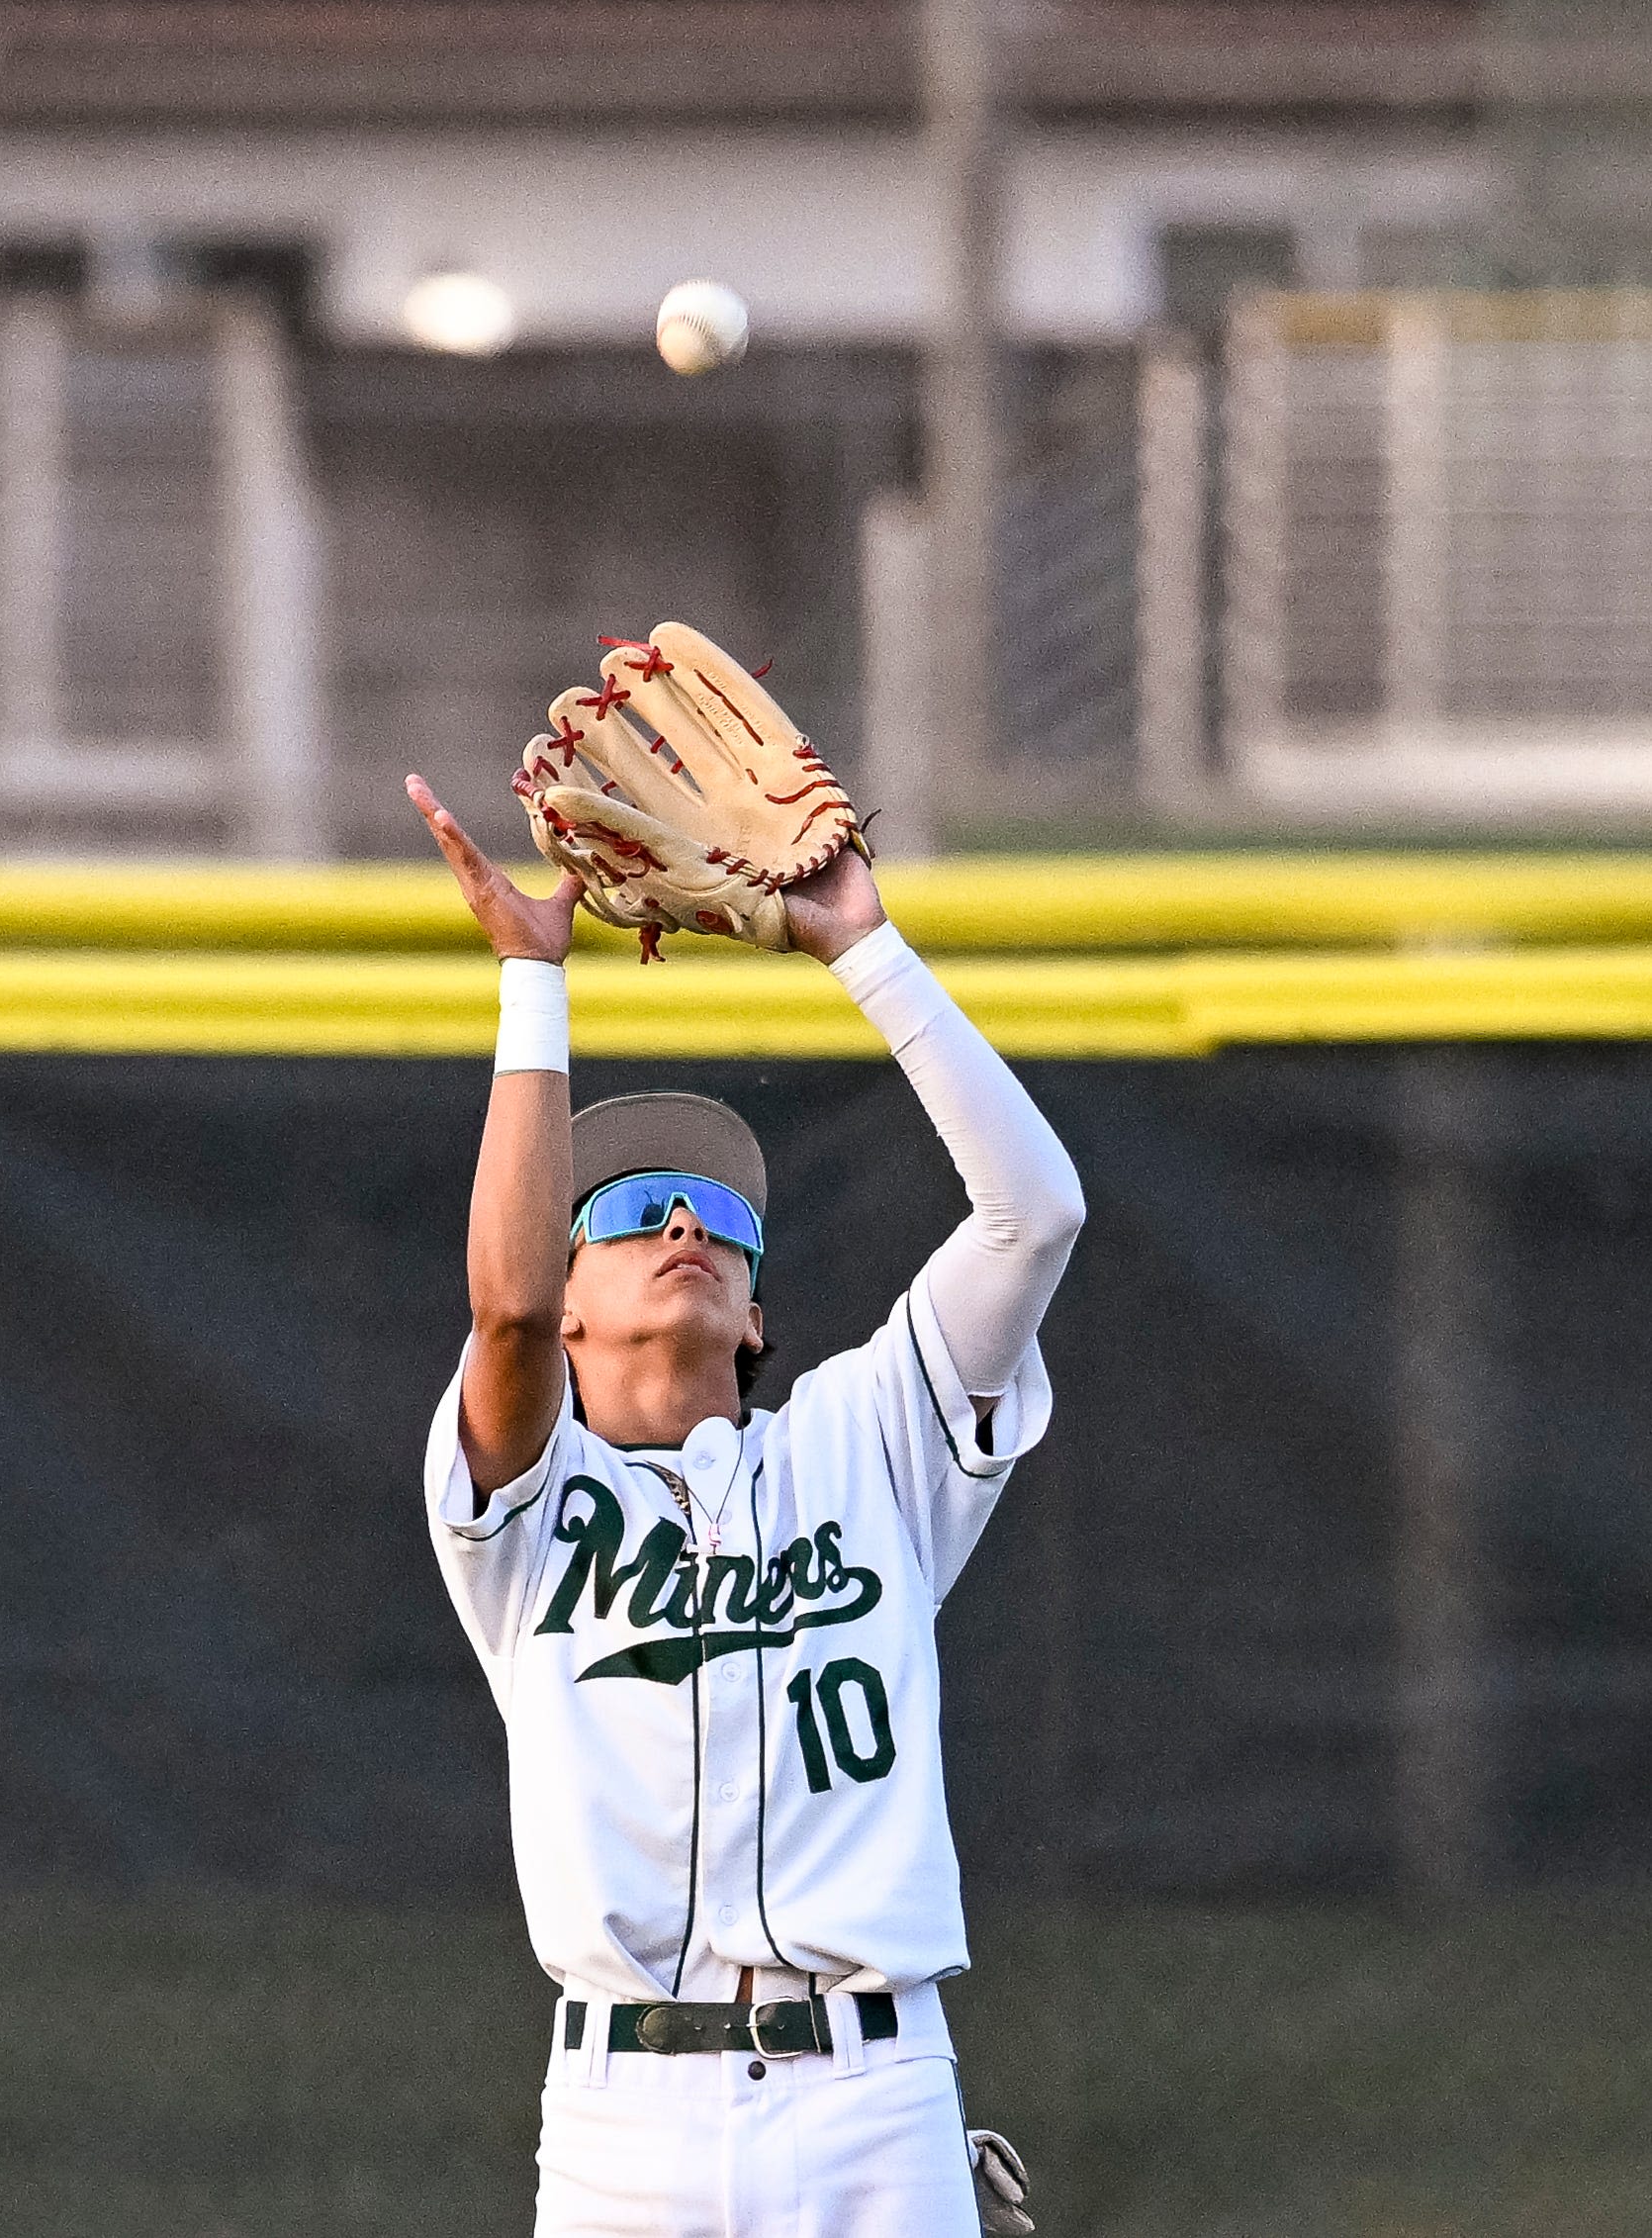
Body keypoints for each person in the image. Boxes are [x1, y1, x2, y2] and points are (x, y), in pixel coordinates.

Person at [407, 771, 1084, 2238]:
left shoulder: (867, 1439)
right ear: (569, 1300)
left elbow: (1035, 1213)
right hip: (619, 2118)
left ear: (759, 1312)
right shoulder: (525, 1509)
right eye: (628, 1209)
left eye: (716, 1215)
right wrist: (533, 983)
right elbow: (503, 1312)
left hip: (872, 2095)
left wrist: (863, 948)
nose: (676, 1224)